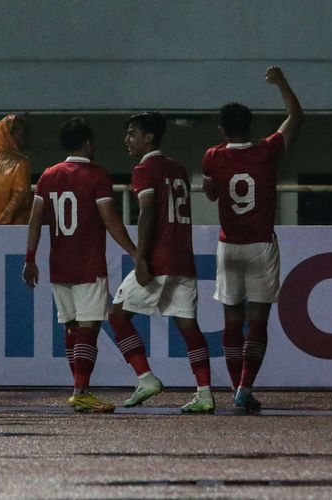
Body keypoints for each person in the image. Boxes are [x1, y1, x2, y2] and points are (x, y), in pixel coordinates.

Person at [201, 66, 303, 412]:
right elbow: (296, 116)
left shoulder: (213, 156)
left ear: (221, 130)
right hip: (260, 245)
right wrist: (281, 83)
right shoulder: (266, 150)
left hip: (229, 245)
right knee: (257, 321)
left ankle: (233, 387)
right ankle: (245, 387)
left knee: (231, 320)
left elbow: (212, 194)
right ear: (250, 127)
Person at [22, 117, 136, 413]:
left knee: (72, 327)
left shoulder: (48, 175)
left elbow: (35, 220)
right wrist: (134, 252)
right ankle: (81, 390)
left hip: (59, 264)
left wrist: (30, 259)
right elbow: (110, 219)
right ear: (88, 144)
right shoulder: (97, 175)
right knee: (89, 328)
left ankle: (78, 389)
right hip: (88, 263)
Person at [108, 112, 215, 413]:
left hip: (159, 259)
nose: (127, 139)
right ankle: (205, 393)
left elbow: (148, 212)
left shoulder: (145, 168)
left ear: (149, 137)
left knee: (117, 317)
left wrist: (141, 258)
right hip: (183, 258)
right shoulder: (177, 168)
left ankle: (146, 378)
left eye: (132, 133)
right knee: (189, 327)